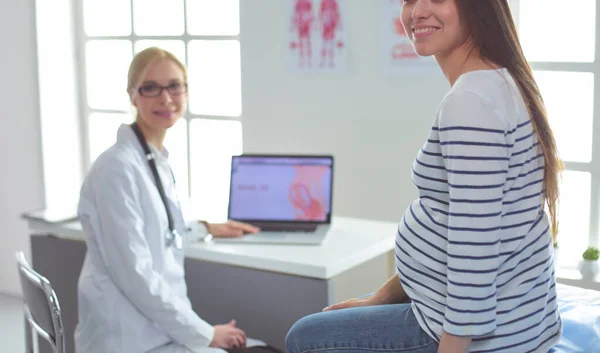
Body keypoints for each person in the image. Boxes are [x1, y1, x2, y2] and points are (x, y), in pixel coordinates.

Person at [286, 1, 562, 352]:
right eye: (409, 0)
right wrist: (378, 299)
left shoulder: (471, 104)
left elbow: (472, 260)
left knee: (303, 337)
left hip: (477, 338)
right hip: (515, 325)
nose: (417, 11)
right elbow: (461, 227)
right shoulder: (503, 82)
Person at [75, 47, 262, 353]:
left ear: (186, 91)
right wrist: (205, 333)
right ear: (133, 95)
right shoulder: (116, 168)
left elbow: (156, 234)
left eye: (174, 86)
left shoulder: (150, 157)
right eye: (150, 88)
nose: (165, 98)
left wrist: (205, 228)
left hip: (154, 330)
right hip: (128, 339)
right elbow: (136, 274)